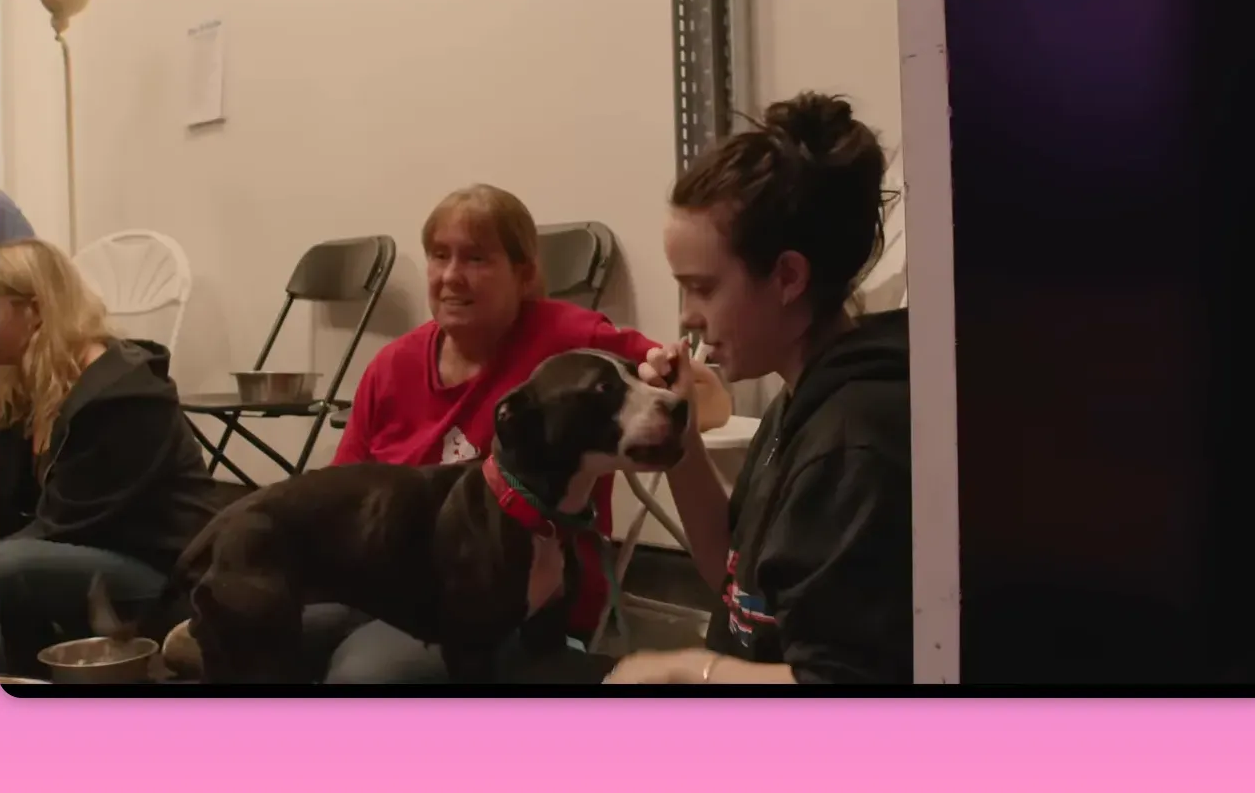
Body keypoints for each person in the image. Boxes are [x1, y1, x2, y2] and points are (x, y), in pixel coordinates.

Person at [310, 183, 732, 683]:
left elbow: (707, 398)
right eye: (439, 256)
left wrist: (666, 393)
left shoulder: (571, 342)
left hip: (506, 597)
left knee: (365, 679)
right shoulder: (390, 366)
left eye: (476, 259)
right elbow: (338, 494)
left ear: (525, 273)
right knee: (252, 623)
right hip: (386, 576)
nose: (450, 276)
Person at [604, 92, 913, 684]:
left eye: (702, 288)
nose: (688, 316)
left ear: (788, 277)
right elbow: (733, 572)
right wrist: (682, 438)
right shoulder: (802, 397)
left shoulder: (854, 441)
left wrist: (691, 672)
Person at [0, 238, 222, 676]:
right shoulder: (28, 385)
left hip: (166, 576)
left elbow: (63, 525)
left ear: (35, 309)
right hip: (85, 553)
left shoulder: (121, 394)